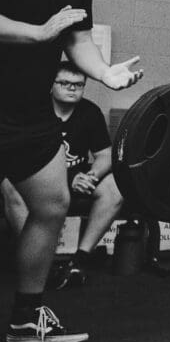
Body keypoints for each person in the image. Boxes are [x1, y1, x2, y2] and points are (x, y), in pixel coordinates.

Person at [0, 0, 142, 342]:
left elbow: (78, 39)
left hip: (27, 113)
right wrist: (39, 34)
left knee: (52, 205)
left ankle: (25, 320)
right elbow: (41, 32)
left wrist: (105, 74)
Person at [1, 61, 125, 288]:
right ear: (51, 85)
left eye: (78, 85)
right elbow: (16, 161)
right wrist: (69, 179)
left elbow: (105, 154)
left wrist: (92, 176)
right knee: (9, 185)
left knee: (114, 188)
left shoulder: (90, 112)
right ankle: (37, 265)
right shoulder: (34, 113)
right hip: (36, 177)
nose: (72, 88)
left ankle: (79, 260)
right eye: (65, 83)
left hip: (79, 178)